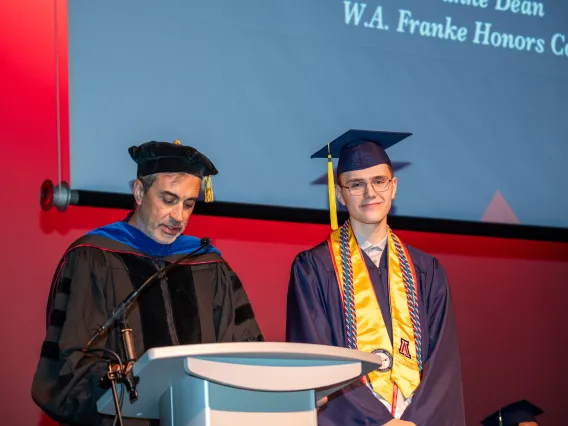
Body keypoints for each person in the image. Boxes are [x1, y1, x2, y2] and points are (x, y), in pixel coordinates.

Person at [31, 140, 264, 426]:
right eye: (168, 199)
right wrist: (127, 383)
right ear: (140, 192)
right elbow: (69, 368)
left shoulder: (208, 265)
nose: (179, 217)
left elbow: (243, 351)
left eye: (188, 204)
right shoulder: (94, 259)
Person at [286, 130, 466, 425]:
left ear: (393, 186)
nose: (370, 193)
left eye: (379, 181)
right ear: (340, 194)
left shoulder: (427, 271)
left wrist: (412, 420)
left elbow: (442, 366)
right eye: (356, 184)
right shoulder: (313, 269)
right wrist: (379, 421)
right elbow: (317, 361)